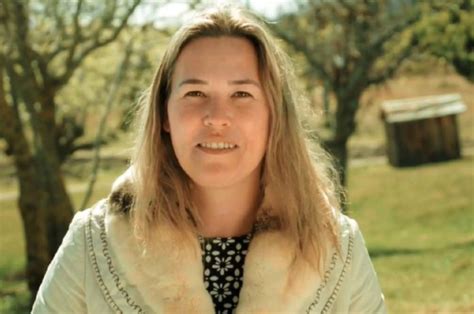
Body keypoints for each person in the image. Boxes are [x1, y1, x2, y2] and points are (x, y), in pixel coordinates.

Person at [32, 5, 386, 314]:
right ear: (165, 114)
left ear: (274, 116)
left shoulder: (338, 246)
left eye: (242, 93)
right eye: (195, 92)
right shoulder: (92, 244)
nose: (217, 117)